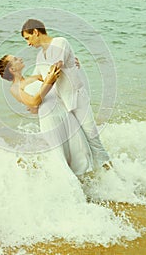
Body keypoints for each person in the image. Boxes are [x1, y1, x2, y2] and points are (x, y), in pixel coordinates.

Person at [21, 19, 112, 170]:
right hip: (62, 106)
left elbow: (56, 67)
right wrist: (18, 83)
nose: (28, 43)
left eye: (28, 38)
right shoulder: (39, 57)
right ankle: (91, 177)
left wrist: (70, 61)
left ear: (35, 32)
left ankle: (113, 176)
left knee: (93, 140)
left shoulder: (59, 42)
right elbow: (37, 78)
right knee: (78, 147)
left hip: (77, 100)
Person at [0, 54, 93, 177]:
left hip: (64, 112)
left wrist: (71, 65)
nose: (20, 58)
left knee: (81, 149)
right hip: (49, 119)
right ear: (12, 69)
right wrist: (49, 81)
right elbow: (33, 102)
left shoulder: (36, 77)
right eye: (15, 59)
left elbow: (56, 74)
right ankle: (71, 190)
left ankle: (88, 183)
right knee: (60, 156)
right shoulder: (15, 88)